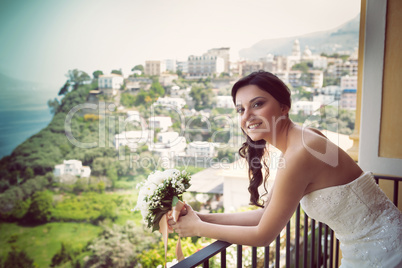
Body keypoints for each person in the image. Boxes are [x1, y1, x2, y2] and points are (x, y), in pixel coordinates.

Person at [169, 70, 402, 267]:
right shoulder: (300, 141)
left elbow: (263, 235)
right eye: (240, 109)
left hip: (385, 253)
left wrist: (199, 228)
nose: (247, 116)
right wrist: (202, 217)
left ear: (284, 107)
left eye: (257, 104)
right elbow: (265, 215)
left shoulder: (302, 152)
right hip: (367, 249)